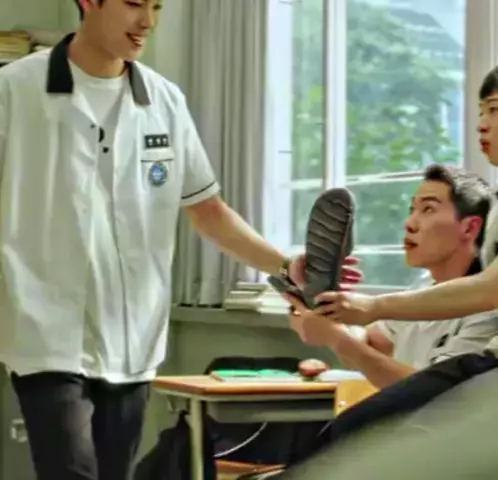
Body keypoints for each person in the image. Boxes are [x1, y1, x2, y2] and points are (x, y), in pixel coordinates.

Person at [0, 1, 350, 478]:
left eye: (156, 6)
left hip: (133, 340)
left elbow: (209, 212)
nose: (147, 22)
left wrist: (286, 266)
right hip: (46, 332)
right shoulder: (15, 90)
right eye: (133, 4)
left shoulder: (164, 101)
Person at [278, 62, 498, 479]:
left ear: (469, 227)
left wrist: (368, 308)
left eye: (495, 109)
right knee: (336, 441)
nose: (482, 124)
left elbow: (490, 291)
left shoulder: (478, 307)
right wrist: (320, 305)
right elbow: (370, 338)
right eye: (480, 112)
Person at [290, 164, 498, 390]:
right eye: (412, 209)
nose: (409, 224)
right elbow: (370, 341)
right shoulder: (422, 288)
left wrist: (339, 340)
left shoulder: (488, 311)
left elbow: (433, 394)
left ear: (469, 228)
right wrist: (323, 309)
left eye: (428, 209)